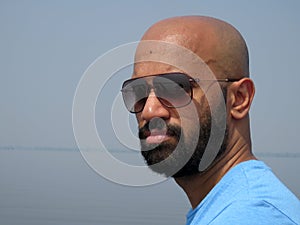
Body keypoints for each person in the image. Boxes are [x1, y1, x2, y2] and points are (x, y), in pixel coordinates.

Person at [121, 16, 300, 224]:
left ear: (239, 99)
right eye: (139, 91)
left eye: (175, 88)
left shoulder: (249, 216)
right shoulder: (230, 209)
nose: (150, 110)